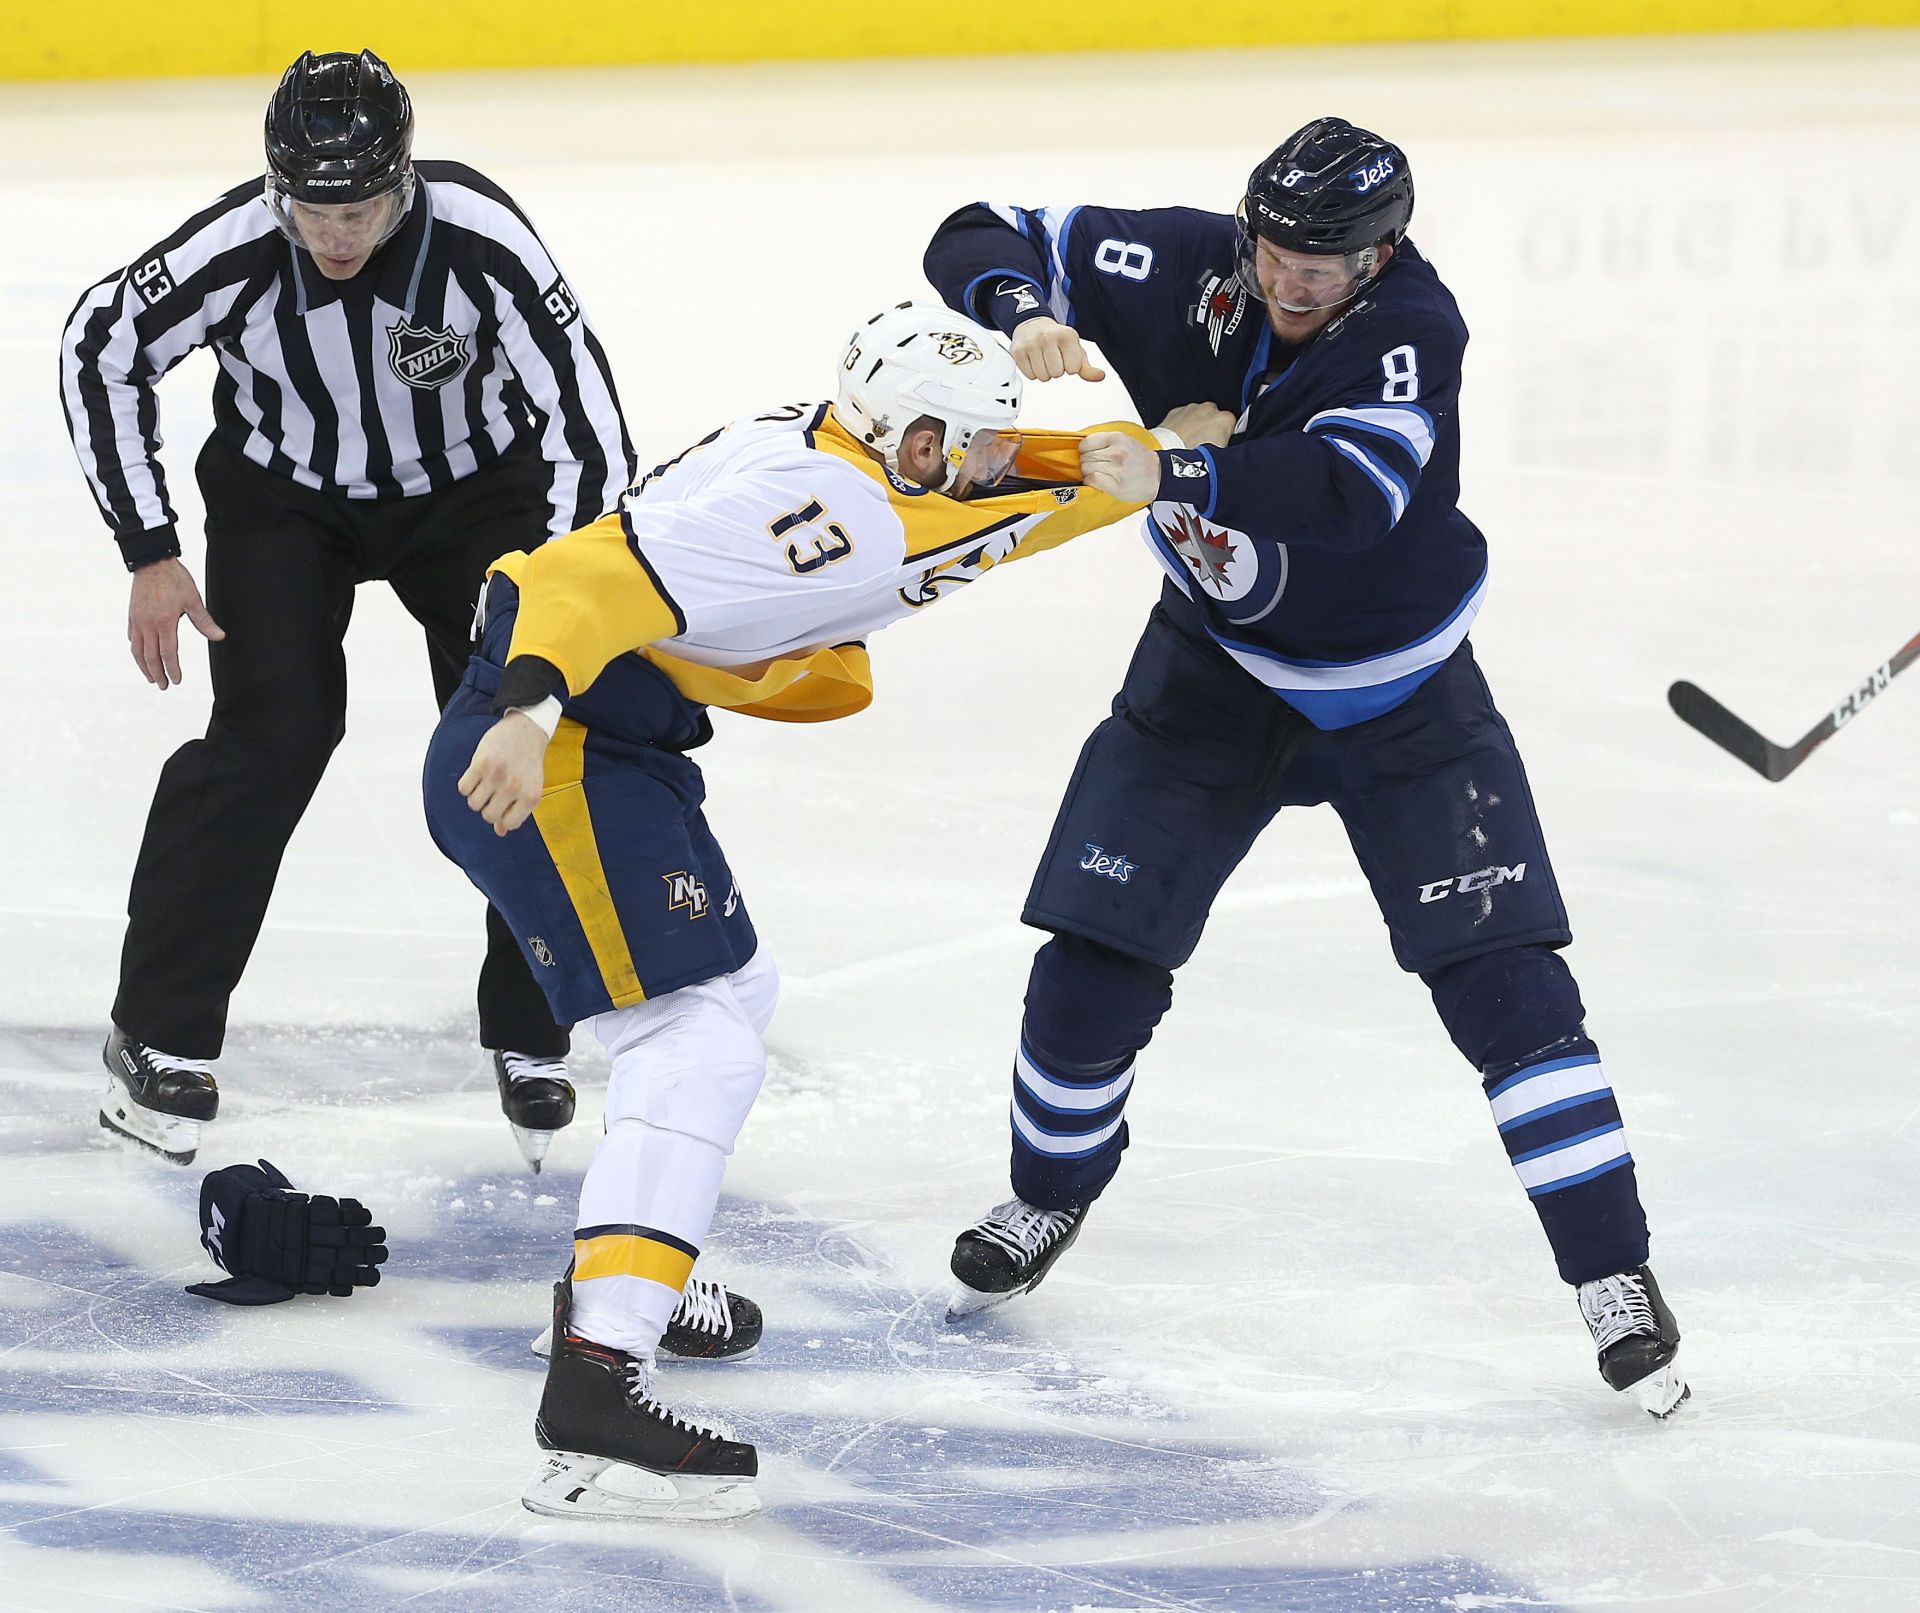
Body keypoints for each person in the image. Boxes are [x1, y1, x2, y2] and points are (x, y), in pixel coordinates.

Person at [922, 117, 1690, 1418]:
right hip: (1208, 676)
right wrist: (1024, 309)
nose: (1290, 278)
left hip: (1400, 700)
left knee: (1506, 990)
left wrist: (1173, 463)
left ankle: (1613, 1273)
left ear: (1382, 253)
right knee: (1090, 961)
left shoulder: (1412, 331)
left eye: (1324, 263)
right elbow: (976, 232)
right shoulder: (1191, 264)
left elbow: (1346, 494)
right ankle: (1046, 1197)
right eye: (1275, 247)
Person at [424, 302, 1158, 1519]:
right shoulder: (831, 518)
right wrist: (528, 706)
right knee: (694, 1035)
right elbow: (582, 573)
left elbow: (998, 500)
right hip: (560, 749)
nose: (982, 454)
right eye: (967, 438)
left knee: (729, 999)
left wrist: (1128, 457)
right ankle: (602, 1373)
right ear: (915, 440)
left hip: (616, 746)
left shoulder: (832, 444)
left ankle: (645, 1263)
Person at [59, 49, 633, 1171]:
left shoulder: (481, 238)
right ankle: (159, 1031)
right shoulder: (235, 249)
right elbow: (101, 343)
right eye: (311, 207)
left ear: (404, 182)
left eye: (360, 206)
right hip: (284, 504)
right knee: (270, 739)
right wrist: (150, 547)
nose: (335, 232)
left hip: (472, 500)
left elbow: (587, 422)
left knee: (517, 739)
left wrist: (558, 617)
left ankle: (532, 1026)